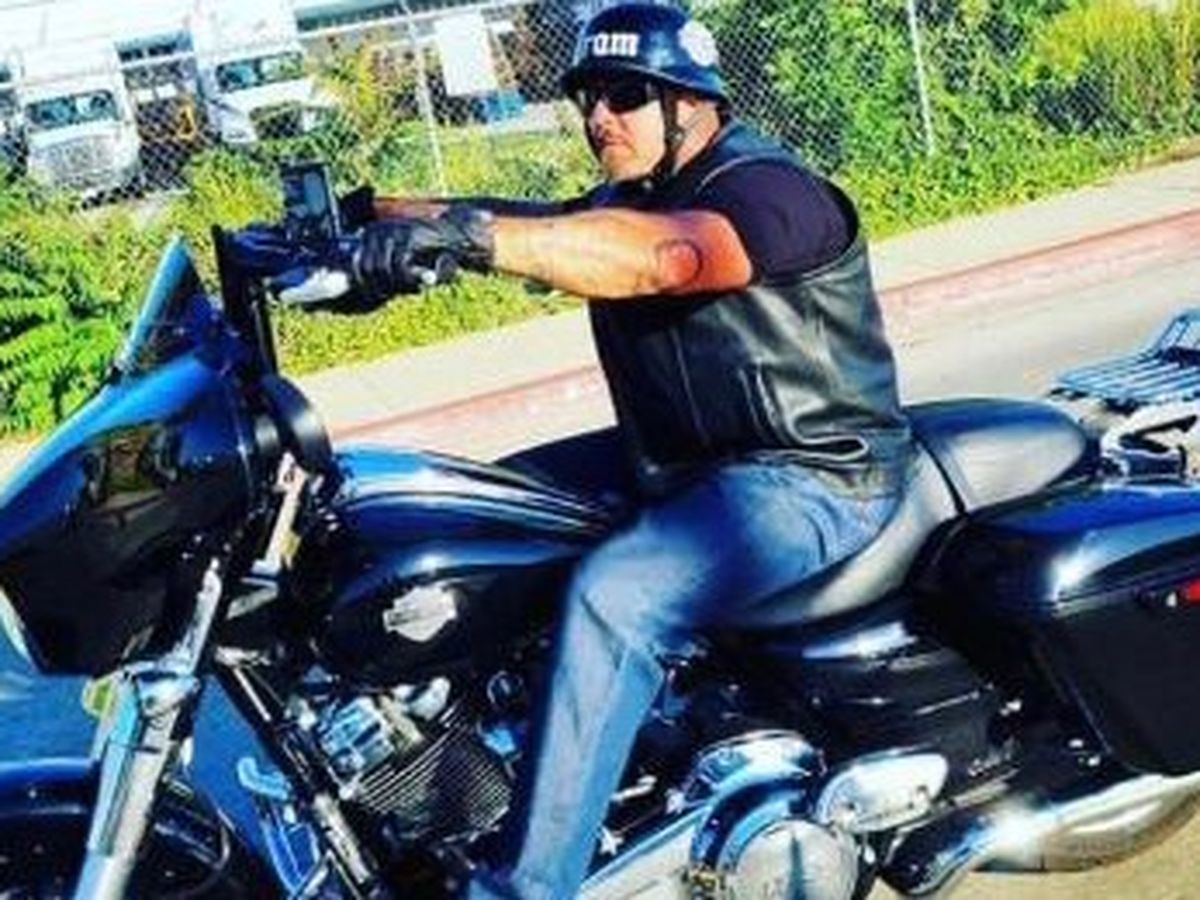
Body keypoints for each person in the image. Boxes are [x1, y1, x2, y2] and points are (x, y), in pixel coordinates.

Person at [349, 4, 913, 896]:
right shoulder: (635, 195)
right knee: (475, 511)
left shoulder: (770, 193)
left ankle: (531, 882)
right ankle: (460, 781)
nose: (598, 117)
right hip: (685, 459)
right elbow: (534, 221)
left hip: (814, 471)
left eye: (624, 95)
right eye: (588, 98)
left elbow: (666, 259)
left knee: (617, 597)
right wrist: (366, 217)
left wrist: (473, 240)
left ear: (691, 103)